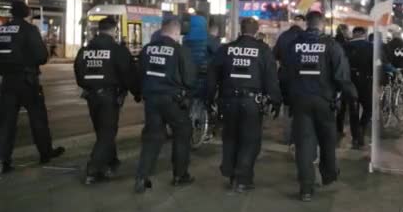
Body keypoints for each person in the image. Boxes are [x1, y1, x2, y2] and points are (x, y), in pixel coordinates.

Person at [284, 11, 358, 202]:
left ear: (306, 24)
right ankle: (329, 174)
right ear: (322, 24)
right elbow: (341, 75)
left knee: (304, 146)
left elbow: (284, 73)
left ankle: (306, 189)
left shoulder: (294, 45)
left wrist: (287, 98)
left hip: (300, 101)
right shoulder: (331, 45)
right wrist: (352, 96)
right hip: (324, 102)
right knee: (327, 140)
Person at [207, 17, 282, 193]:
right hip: (251, 103)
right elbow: (271, 79)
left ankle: (231, 172)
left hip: (228, 102)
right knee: (250, 140)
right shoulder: (263, 50)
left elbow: (212, 74)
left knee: (231, 137)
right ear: (256, 32)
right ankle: (242, 179)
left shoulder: (226, 49)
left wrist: (209, 98)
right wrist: (275, 100)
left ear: (240, 30)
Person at [0, 1, 65, 174]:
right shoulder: (29, 30)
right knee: (38, 118)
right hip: (27, 81)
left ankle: (2, 159)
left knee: (6, 123)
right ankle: (45, 153)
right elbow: (41, 56)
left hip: (7, 82)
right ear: (26, 12)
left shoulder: (2, 30)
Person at [134, 18, 196, 193]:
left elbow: (139, 74)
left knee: (152, 137)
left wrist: (140, 93)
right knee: (182, 133)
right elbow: (190, 79)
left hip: (151, 100)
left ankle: (142, 177)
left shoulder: (147, 49)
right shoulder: (179, 50)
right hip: (173, 101)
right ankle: (180, 175)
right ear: (176, 32)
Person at [74, 17, 139, 185]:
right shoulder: (117, 50)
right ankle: (93, 170)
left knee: (102, 131)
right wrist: (137, 93)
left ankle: (111, 161)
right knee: (108, 132)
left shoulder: (85, 50)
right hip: (109, 97)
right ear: (114, 30)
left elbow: (78, 72)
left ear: (99, 30)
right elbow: (129, 74)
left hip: (91, 96)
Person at [273, 15, 306, 146]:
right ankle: (297, 137)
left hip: (285, 75)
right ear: (303, 23)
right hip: (302, 77)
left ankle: (287, 137)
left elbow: (274, 55)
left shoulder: (283, 37)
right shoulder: (306, 37)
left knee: (287, 107)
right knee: (301, 107)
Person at [344, 27, 374, 149]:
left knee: (353, 109)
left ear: (354, 34)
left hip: (350, 81)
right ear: (364, 33)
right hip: (366, 81)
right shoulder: (370, 47)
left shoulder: (345, 46)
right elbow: (374, 64)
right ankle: (362, 127)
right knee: (368, 108)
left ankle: (356, 136)